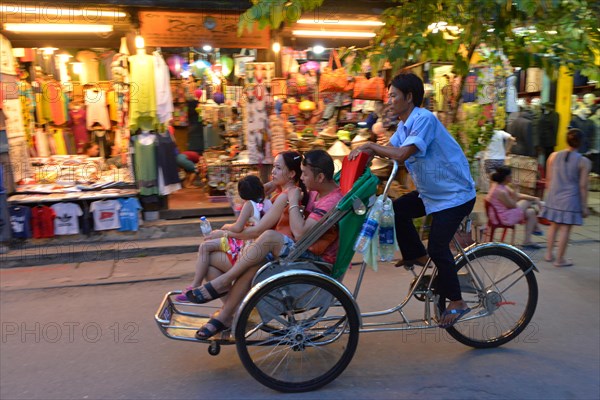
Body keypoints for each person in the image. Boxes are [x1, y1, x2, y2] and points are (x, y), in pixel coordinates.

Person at [348, 72, 476, 329]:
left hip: (455, 195)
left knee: (439, 248)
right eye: (389, 95)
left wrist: (371, 148)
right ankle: (415, 255)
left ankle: (457, 301)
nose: (390, 100)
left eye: (394, 95)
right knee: (395, 210)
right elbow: (391, 153)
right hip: (432, 194)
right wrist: (363, 161)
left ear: (409, 97)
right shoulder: (406, 125)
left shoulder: (425, 119)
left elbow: (402, 154)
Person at [190, 150, 343, 339]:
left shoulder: (330, 200)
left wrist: (293, 201)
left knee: (268, 238)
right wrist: (273, 185)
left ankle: (226, 299)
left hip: (312, 258)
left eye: (305, 174)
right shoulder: (316, 191)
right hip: (294, 249)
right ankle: (233, 314)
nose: (302, 178)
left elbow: (300, 233)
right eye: (301, 172)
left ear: (319, 177)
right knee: (216, 260)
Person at [175, 150, 307, 303]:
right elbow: (257, 194)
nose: (273, 171)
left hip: (259, 249)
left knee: (208, 257)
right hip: (256, 245)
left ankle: (228, 309)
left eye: (278, 168)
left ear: (291, 174)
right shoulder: (281, 191)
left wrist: (225, 233)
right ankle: (233, 312)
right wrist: (272, 184)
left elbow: (258, 230)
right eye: (273, 167)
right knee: (208, 259)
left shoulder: (285, 196)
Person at [174, 174, 274, 301]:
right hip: (251, 243)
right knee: (206, 247)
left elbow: (238, 228)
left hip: (245, 245)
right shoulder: (268, 203)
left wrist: (227, 226)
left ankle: (196, 285)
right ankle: (202, 287)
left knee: (205, 247)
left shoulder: (249, 205)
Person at [541, 129, 592, 267]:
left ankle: (548, 254)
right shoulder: (584, 161)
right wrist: (584, 206)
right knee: (565, 229)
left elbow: (548, 180)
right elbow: (583, 186)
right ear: (581, 143)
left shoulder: (553, 156)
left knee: (553, 226)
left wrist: (549, 196)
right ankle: (560, 260)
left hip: (554, 196)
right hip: (570, 199)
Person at [485, 166, 543, 248]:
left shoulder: (501, 186)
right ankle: (537, 227)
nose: (512, 177)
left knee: (531, 212)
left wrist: (535, 198)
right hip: (503, 218)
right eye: (510, 176)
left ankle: (527, 241)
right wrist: (516, 188)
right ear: (506, 177)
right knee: (527, 202)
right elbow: (513, 205)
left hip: (502, 214)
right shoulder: (500, 191)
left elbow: (517, 196)